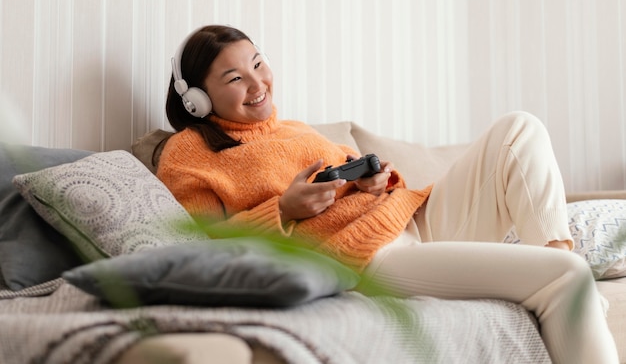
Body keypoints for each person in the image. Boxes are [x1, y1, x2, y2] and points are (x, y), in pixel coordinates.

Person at [157, 25, 619, 364]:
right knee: (565, 279)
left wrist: (377, 180)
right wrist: (282, 210)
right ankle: (570, 283)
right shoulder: (189, 154)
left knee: (519, 129)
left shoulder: (297, 130)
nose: (258, 84)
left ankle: (553, 251)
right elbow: (200, 246)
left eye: (258, 64)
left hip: (416, 218)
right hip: (371, 258)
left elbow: (374, 176)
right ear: (197, 99)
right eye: (235, 78)